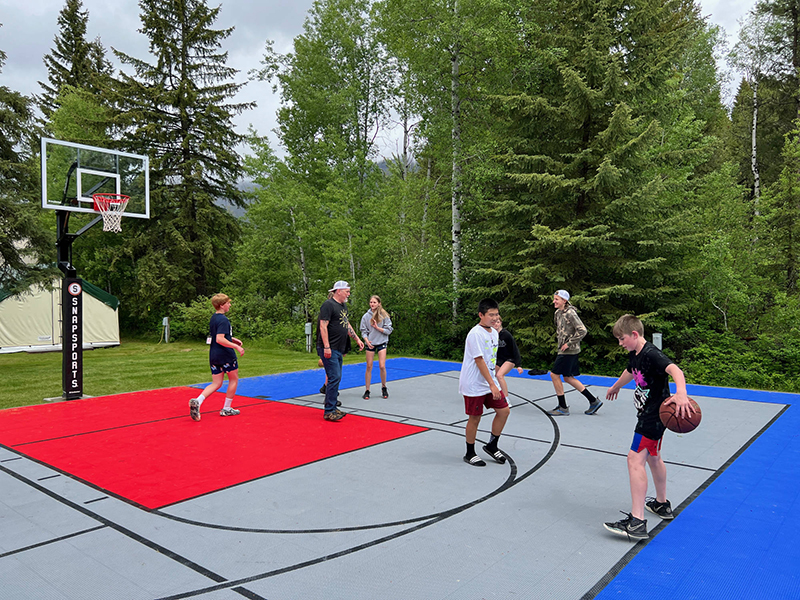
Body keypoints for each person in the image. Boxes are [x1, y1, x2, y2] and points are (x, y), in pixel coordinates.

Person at [603, 314, 694, 540]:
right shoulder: (635, 354)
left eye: (622, 339)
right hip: (651, 415)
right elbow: (630, 371)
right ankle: (662, 504)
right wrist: (615, 386)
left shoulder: (652, 354)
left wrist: (681, 393)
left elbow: (675, 370)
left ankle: (636, 521)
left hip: (653, 417)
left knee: (635, 460)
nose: (620, 343)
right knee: (654, 457)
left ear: (634, 335)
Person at [458, 298, 511, 467]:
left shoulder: (494, 332)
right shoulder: (475, 334)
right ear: (481, 315)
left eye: (497, 314)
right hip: (474, 383)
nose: (495, 318)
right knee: (475, 417)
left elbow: (490, 359)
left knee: (504, 411)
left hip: (489, 381)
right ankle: (470, 453)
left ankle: (492, 445)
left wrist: (495, 379)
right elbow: (479, 360)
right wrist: (492, 384)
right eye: (491, 315)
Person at [189, 293, 245, 421]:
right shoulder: (224, 320)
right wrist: (236, 347)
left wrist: (233, 339)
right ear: (222, 305)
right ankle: (226, 408)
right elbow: (220, 339)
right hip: (226, 354)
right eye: (228, 303)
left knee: (217, 383)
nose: (230, 305)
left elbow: (218, 335)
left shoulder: (214, 318)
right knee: (233, 379)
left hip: (214, 354)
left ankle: (198, 401)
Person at [547, 290, 603, 416]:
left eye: (556, 299)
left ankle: (563, 407)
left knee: (554, 375)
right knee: (567, 377)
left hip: (569, 351)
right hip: (563, 349)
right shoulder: (557, 313)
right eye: (554, 299)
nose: (554, 301)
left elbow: (582, 330)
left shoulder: (570, 313)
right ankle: (593, 401)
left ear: (564, 301)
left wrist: (569, 343)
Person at [318, 280, 364, 421]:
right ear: (338, 291)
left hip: (339, 347)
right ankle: (329, 410)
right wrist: (326, 346)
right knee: (334, 376)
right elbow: (323, 326)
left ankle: (332, 407)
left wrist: (356, 338)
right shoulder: (328, 305)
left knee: (336, 377)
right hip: (329, 347)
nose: (348, 294)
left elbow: (346, 323)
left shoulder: (342, 306)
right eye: (347, 291)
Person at [360, 295, 393, 399]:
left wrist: (377, 328)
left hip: (382, 342)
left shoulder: (384, 315)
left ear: (379, 303)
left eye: (374, 302)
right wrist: (366, 340)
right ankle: (367, 390)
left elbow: (389, 330)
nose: (372, 304)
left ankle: (384, 387)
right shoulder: (366, 316)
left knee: (382, 366)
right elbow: (363, 331)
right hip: (371, 343)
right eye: (371, 302)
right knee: (369, 366)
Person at [493, 315, 523, 400]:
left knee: (499, 375)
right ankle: (496, 394)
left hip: (510, 359)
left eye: (498, 322)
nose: (496, 324)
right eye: (494, 322)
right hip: (499, 359)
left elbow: (515, 349)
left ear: (501, 323)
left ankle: (505, 399)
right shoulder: (492, 335)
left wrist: (519, 365)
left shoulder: (506, 335)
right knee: (491, 375)